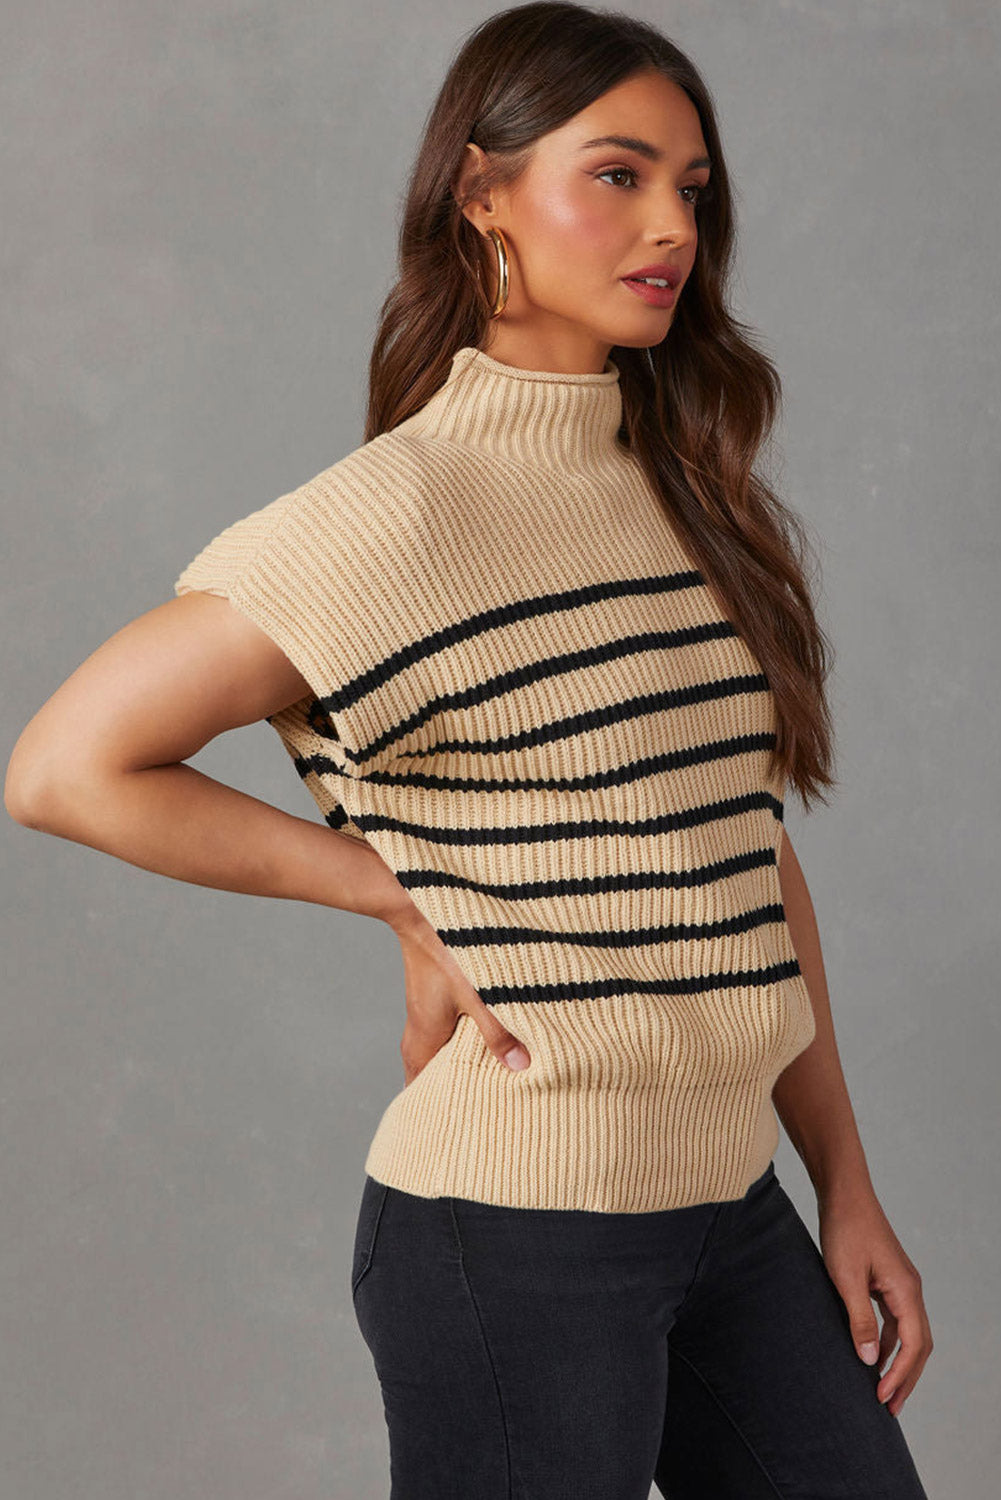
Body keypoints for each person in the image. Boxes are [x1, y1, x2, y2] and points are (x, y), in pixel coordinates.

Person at [5, 4, 933, 1496]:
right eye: (617, 175)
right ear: (481, 192)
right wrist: (387, 893)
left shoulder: (687, 491)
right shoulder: (392, 518)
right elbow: (62, 769)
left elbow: (745, 858)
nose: (671, 226)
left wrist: (847, 1188)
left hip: (732, 1213)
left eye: (690, 188)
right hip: (514, 1234)